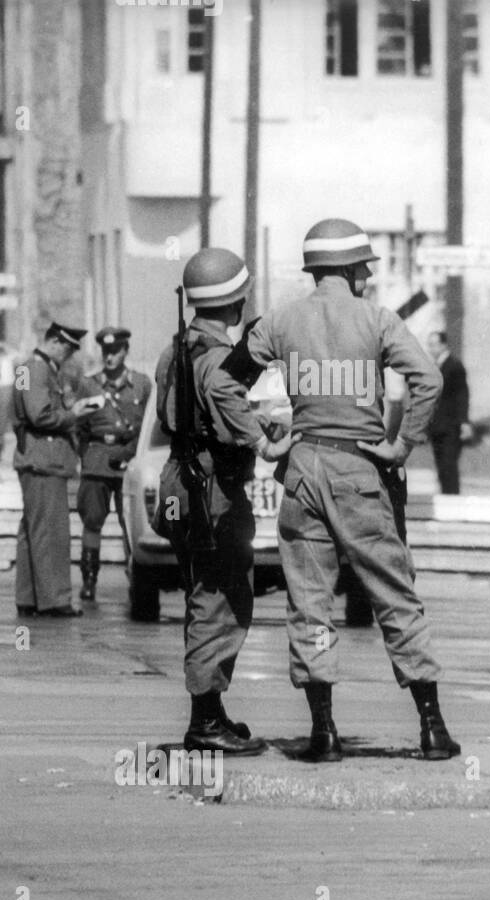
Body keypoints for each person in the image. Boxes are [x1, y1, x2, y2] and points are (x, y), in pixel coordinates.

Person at [242, 218, 458, 762]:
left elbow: (224, 379)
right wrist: (403, 444)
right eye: (363, 266)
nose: (366, 274)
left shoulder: (280, 320)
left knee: (310, 603)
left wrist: (263, 436)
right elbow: (428, 380)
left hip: (302, 470)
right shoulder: (378, 320)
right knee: (394, 593)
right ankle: (431, 729)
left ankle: (324, 732)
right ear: (350, 270)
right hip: (360, 469)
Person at [152, 248, 295, 755]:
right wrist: (268, 438)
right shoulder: (216, 362)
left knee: (201, 595)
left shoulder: (177, 349)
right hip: (210, 489)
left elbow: (176, 412)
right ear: (234, 303)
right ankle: (204, 721)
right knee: (221, 599)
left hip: (181, 482)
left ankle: (210, 712)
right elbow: (233, 411)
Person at [12, 322, 103, 617]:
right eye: (68, 347)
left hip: (36, 459)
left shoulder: (31, 368)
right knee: (51, 532)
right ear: (53, 341)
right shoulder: (38, 369)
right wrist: (73, 414)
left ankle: (29, 597)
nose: (70, 354)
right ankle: (55, 600)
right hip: (44, 460)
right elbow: (39, 414)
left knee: (32, 531)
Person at [74, 326, 151, 602]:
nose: (110, 357)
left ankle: (137, 579)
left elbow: (146, 427)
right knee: (92, 521)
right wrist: (88, 456)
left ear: (125, 352)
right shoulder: (89, 384)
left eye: (115, 352)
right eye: (106, 352)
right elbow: (79, 427)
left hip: (129, 461)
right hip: (97, 459)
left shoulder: (141, 384)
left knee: (130, 522)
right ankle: (89, 580)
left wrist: (131, 452)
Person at [426, 330, 472, 495]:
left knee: (448, 465)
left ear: (444, 345)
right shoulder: (434, 367)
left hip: (451, 426)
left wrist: (464, 422)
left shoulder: (454, 366)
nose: (431, 348)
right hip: (437, 426)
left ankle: (452, 501)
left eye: (434, 345)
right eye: (429, 345)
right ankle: (446, 499)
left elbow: (462, 395)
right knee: (440, 466)